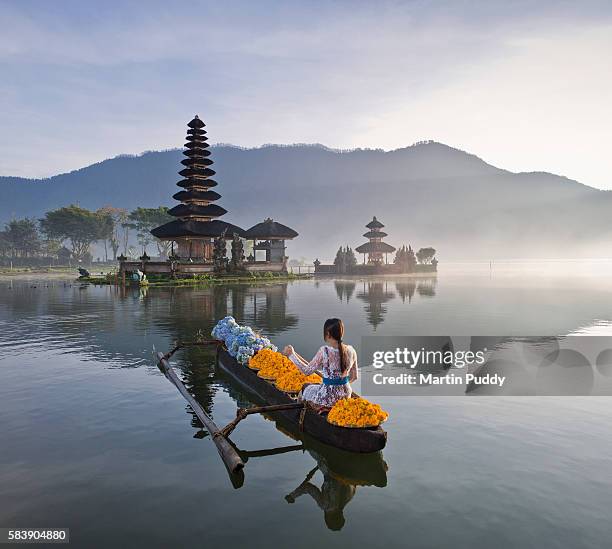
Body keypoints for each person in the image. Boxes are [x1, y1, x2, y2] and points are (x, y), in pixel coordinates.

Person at [282, 318, 358, 407]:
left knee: (305, 387)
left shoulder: (324, 351)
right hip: (346, 395)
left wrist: (291, 355)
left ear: (328, 334)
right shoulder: (351, 350)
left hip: (327, 396)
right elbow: (354, 377)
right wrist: (340, 383)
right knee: (316, 386)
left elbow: (306, 371)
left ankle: (299, 415)